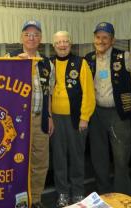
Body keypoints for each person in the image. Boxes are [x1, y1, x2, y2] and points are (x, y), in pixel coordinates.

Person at [85, 22, 131, 195]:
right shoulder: (88, 59)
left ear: (112, 40)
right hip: (96, 114)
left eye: (105, 37)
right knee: (98, 158)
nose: (101, 41)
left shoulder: (125, 56)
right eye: (98, 37)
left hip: (118, 113)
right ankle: (104, 196)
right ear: (94, 39)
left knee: (121, 158)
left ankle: (122, 197)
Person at [5, 20, 54, 208]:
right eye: (27, 34)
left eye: (35, 35)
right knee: (16, 161)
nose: (31, 38)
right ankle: (16, 198)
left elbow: (48, 92)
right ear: (21, 38)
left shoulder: (47, 64)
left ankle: (35, 199)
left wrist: (49, 116)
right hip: (16, 122)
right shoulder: (10, 59)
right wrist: (14, 65)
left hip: (39, 118)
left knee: (41, 162)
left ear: (40, 39)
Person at [50, 31, 95, 207]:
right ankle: (62, 193)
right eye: (58, 42)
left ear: (71, 43)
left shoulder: (81, 63)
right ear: (54, 45)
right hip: (55, 119)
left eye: (65, 41)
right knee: (59, 158)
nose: (62, 45)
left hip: (77, 119)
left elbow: (89, 94)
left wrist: (85, 118)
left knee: (77, 157)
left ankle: (77, 193)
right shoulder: (49, 63)